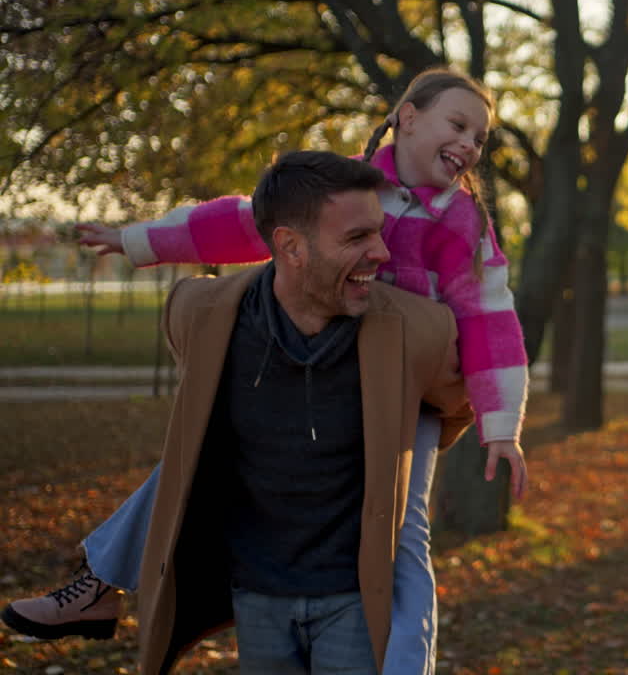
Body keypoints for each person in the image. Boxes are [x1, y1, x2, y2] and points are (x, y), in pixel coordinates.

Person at [2, 68, 527, 674]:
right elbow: (243, 221)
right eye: (458, 123)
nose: (470, 143)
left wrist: (501, 426)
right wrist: (137, 239)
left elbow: (489, 315)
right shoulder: (345, 186)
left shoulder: (463, 222)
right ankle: (100, 583)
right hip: (316, 371)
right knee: (192, 457)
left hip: (407, 393)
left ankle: (407, 666)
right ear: (407, 117)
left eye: (480, 137)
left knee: (403, 535)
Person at [150, 151, 467, 673]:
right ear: (290, 247)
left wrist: (397, 453)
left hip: (355, 601)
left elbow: (453, 409)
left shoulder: (420, 330)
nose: (381, 252)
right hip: (256, 596)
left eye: (379, 232)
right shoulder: (199, 313)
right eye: (356, 238)